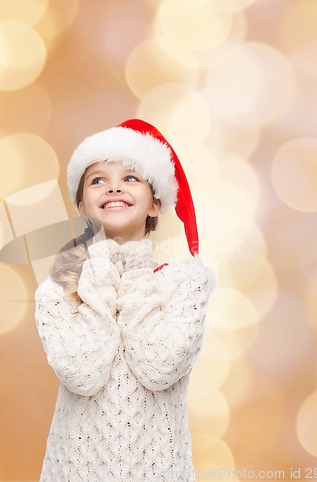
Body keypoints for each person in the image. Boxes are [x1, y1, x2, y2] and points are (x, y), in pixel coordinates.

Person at [34, 119, 217, 481]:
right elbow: (83, 373)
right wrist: (101, 266)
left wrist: (133, 268)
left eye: (131, 177)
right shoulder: (58, 291)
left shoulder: (185, 285)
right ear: (83, 207)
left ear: (155, 204)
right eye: (98, 179)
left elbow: (159, 367)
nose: (113, 186)